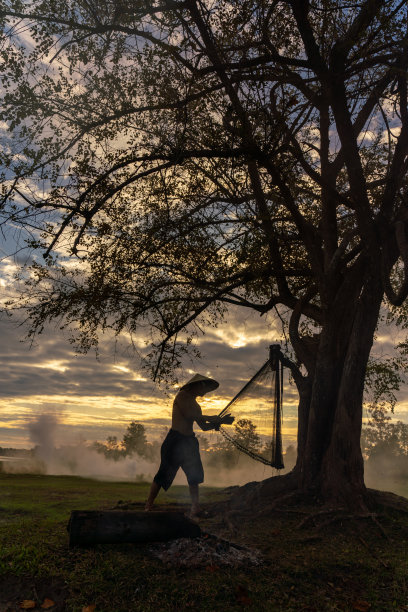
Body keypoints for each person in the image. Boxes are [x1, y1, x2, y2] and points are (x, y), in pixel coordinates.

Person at [145, 373, 234, 518]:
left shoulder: (196, 404)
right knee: (163, 474)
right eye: (204, 388)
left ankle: (195, 508)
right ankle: (148, 505)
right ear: (197, 385)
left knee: (194, 476)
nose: (205, 392)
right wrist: (213, 417)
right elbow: (190, 416)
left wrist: (220, 422)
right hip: (175, 441)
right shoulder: (182, 396)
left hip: (189, 442)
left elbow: (203, 427)